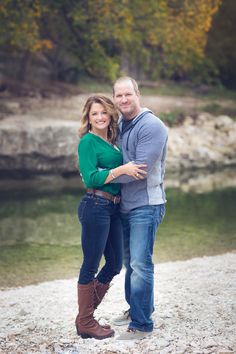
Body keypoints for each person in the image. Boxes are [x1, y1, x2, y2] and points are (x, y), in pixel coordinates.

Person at [75, 94, 147, 340]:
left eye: (103, 112)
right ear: (88, 117)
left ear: (110, 114)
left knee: (116, 263)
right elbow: (91, 178)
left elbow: (103, 173)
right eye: (94, 114)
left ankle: (85, 316)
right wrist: (121, 170)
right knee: (91, 264)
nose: (99, 117)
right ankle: (85, 320)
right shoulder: (88, 142)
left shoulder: (113, 141)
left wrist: (112, 172)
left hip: (113, 208)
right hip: (95, 205)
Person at [111, 77, 168, 340]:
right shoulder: (121, 123)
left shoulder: (152, 126)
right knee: (129, 264)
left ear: (138, 94)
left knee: (140, 263)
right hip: (124, 205)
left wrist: (101, 176)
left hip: (146, 204)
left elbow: (139, 171)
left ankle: (142, 324)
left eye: (128, 95)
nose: (123, 100)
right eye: (119, 95)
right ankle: (136, 308)